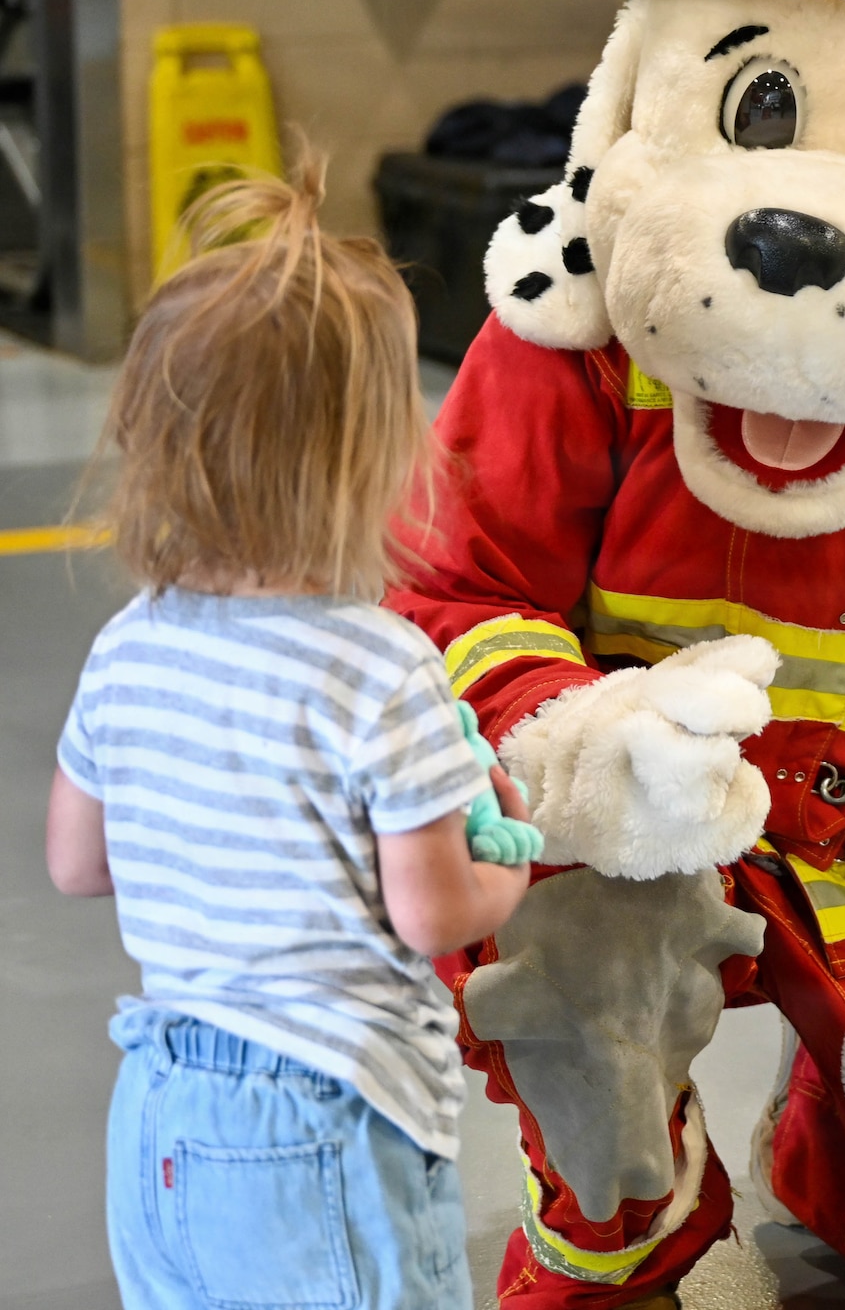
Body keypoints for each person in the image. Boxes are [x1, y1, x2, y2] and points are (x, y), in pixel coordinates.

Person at [43, 164, 534, 1310]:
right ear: (369, 465)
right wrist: (504, 859)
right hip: (325, 1112)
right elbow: (433, 912)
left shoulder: (131, 643)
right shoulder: (379, 666)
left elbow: (76, 863)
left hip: (160, 1103)